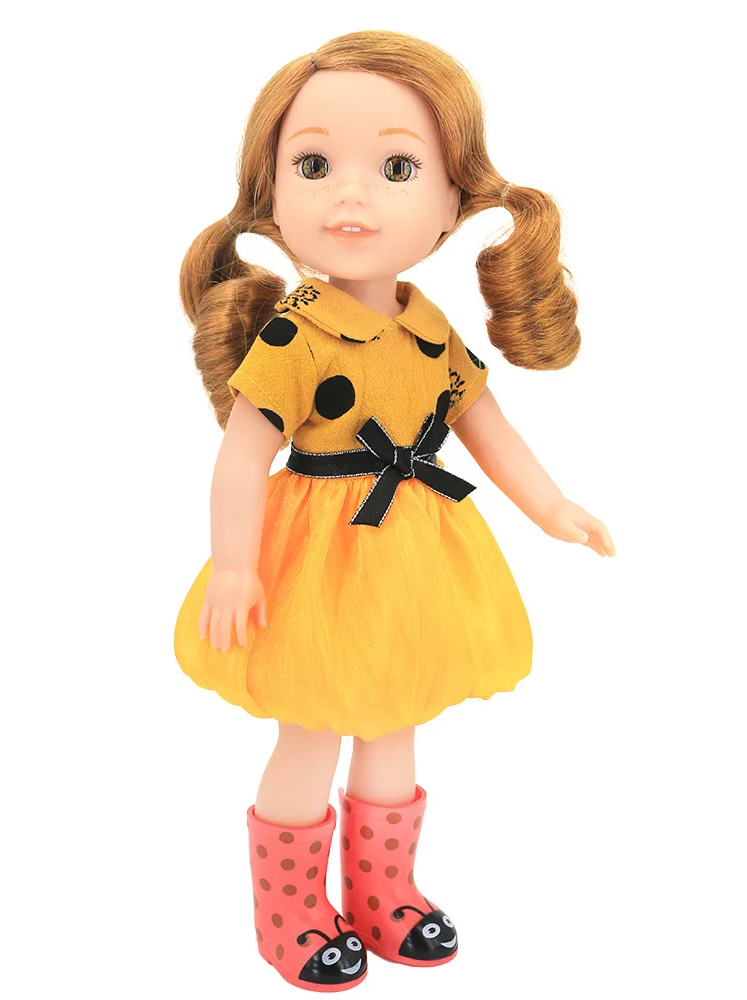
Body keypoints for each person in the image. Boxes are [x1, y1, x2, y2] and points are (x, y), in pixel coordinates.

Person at [173, 30, 615, 992]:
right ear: (271, 196)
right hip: (314, 555)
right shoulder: (296, 334)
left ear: (456, 201)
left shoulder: (430, 330)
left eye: (398, 168)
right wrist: (236, 565)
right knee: (311, 725)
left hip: (414, 551)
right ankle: (291, 912)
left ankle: (385, 894)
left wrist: (551, 505)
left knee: (395, 723)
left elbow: (485, 425)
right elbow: (242, 454)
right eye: (314, 165)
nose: (352, 196)